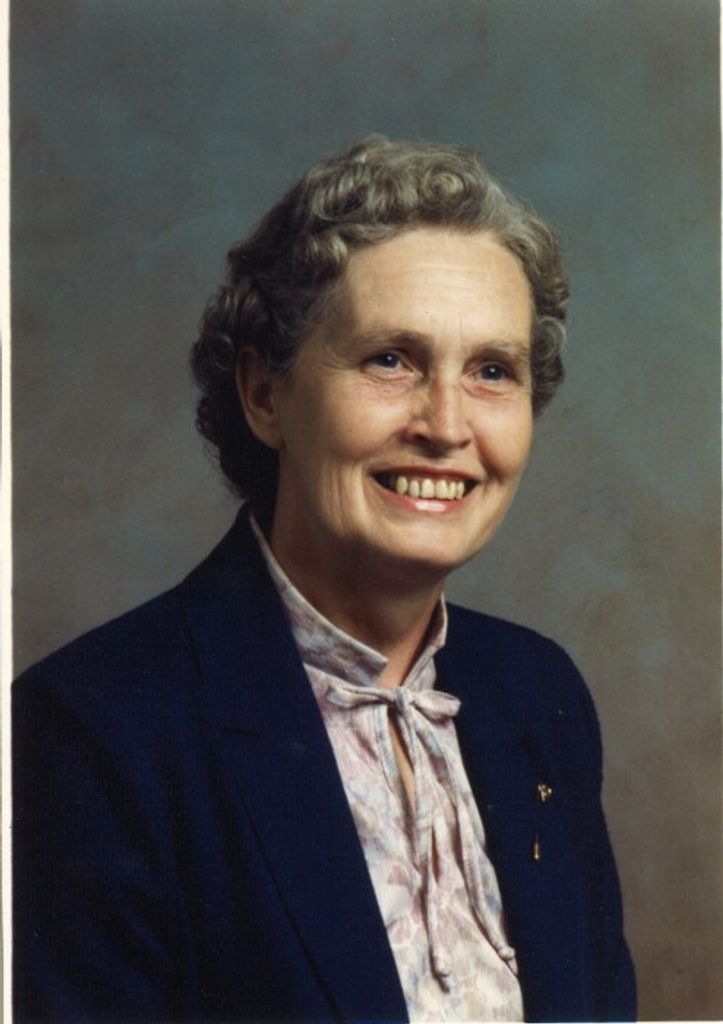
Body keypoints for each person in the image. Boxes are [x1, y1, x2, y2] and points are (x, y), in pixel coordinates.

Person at [13, 135, 636, 1023]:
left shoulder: (540, 696)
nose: (446, 426)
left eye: (492, 371)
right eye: (390, 360)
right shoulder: (93, 732)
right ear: (265, 395)